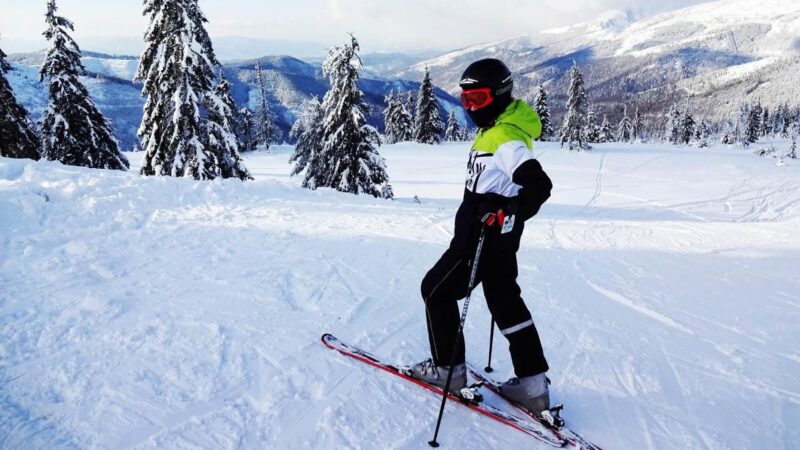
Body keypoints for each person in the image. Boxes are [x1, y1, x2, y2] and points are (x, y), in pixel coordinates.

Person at [409, 58, 553, 415]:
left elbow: (539, 184)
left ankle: (448, 372)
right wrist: (508, 211)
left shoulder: (504, 138)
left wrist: (510, 209)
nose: (471, 107)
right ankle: (533, 387)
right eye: (466, 100)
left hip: (478, 238)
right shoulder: (500, 128)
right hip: (501, 239)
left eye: (479, 98)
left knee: (435, 290)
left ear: (501, 95)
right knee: (506, 302)